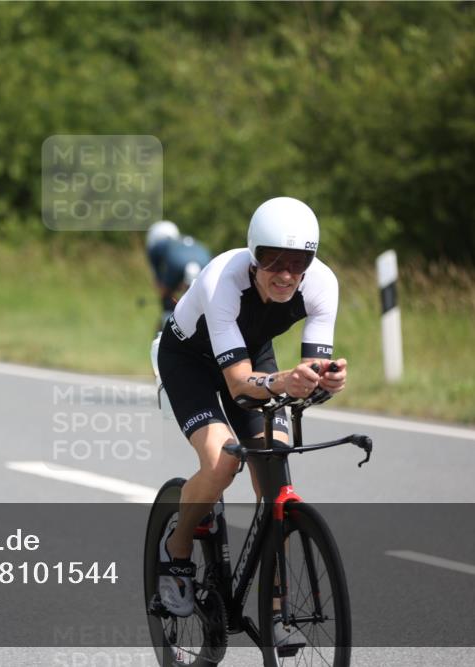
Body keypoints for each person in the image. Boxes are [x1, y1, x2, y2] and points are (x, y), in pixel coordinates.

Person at [154, 197, 348, 627]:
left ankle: (274, 611)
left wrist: (325, 380)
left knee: (273, 469)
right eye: (271, 260)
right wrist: (284, 381)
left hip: (252, 354)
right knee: (223, 461)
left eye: (297, 262)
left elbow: (310, 369)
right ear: (252, 254)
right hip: (189, 359)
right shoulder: (223, 278)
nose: (284, 274)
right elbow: (241, 384)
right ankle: (178, 548)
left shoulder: (321, 284)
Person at [146, 221, 212, 330]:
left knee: (167, 298)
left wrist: (166, 292)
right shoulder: (183, 240)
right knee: (198, 303)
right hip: (205, 259)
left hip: (177, 263)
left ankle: (165, 329)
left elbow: (159, 282)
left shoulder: (156, 247)